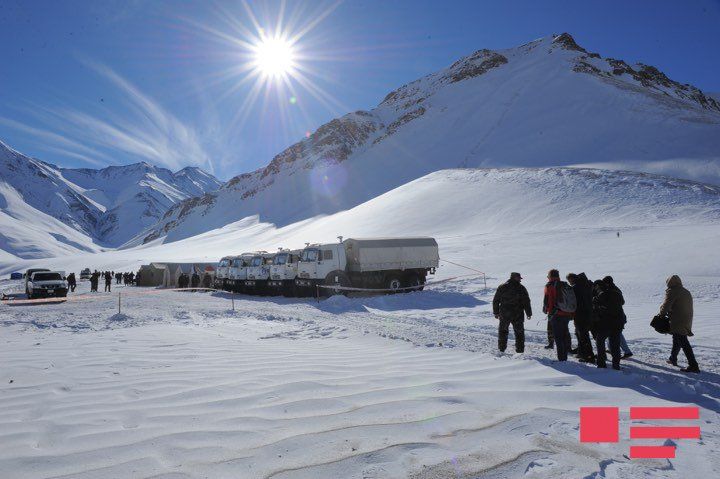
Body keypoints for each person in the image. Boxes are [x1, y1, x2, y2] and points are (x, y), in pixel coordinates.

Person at [659, 275, 699, 373]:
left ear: (669, 283)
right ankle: (673, 358)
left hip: (678, 320)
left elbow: (666, 306)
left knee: (683, 341)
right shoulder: (686, 291)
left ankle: (693, 365)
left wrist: (661, 314)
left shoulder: (673, 291)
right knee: (677, 338)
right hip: (687, 319)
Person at [493, 272, 532, 353]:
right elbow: (526, 302)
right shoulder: (521, 288)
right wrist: (528, 313)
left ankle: (505, 350)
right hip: (516, 314)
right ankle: (515, 350)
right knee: (518, 333)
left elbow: (496, 300)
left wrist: (496, 312)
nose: (520, 280)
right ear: (514, 278)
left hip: (506, 314)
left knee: (506, 332)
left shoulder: (502, 287)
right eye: (518, 278)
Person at [592, 278, 625, 370]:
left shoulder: (601, 294)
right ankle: (616, 365)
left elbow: (595, 308)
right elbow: (622, 302)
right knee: (615, 344)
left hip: (605, 323)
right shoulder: (617, 293)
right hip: (618, 322)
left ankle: (601, 363)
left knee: (600, 342)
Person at [543, 269, 574, 361]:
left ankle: (562, 359)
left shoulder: (549, 286)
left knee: (558, 337)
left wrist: (547, 310)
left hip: (556, 314)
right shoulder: (565, 285)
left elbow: (547, 301)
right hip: (567, 313)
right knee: (564, 335)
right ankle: (564, 356)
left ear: (550, 276)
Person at [602, 276, 633, 358]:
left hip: (615, 316)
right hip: (619, 315)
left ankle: (627, 351)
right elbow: (622, 302)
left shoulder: (609, 291)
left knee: (617, 334)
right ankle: (611, 348)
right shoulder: (616, 289)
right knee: (613, 333)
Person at [568, 273, 595, 362]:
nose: (570, 283)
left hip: (581, 314)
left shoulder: (576, 288)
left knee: (583, 335)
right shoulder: (587, 285)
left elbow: (573, 302)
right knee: (582, 334)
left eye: (570, 280)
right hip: (589, 313)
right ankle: (581, 352)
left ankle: (588, 356)